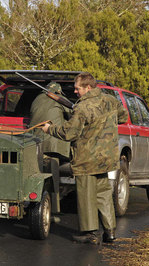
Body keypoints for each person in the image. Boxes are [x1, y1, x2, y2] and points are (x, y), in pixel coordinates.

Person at [42, 72, 128, 244]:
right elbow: (123, 117)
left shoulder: (82, 108)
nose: (75, 92)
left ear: (88, 88)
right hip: (106, 157)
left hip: (87, 159)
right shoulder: (110, 101)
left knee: (86, 196)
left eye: (77, 88)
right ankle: (110, 232)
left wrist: (49, 129)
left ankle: (91, 234)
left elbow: (69, 133)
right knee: (103, 194)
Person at [29, 81, 72, 160]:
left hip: (35, 141)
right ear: (58, 91)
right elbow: (73, 115)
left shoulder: (36, 98)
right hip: (54, 144)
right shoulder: (59, 99)